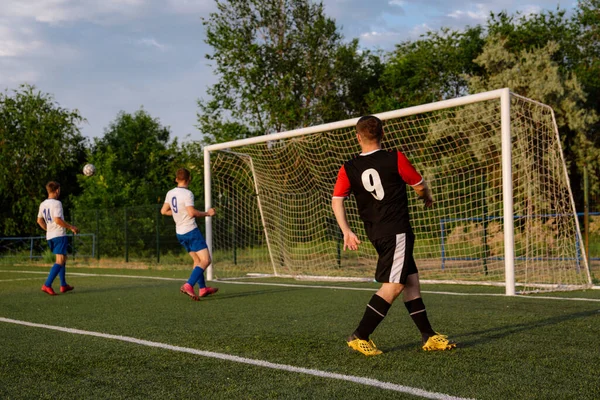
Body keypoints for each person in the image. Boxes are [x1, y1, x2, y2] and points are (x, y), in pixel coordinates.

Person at [332, 115, 456, 356]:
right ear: (383, 135)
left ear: (358, 137)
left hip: (377, 233)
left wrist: (346, 231)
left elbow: (337, 201)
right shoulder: (395, 157)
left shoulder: (348, 168)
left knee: (411, 282)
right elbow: (419, 185)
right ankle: (360, 335)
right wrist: (426, 196)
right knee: (395, 285)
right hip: (397, 231)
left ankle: (428, 336)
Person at [161, 168, 218, 301]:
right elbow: (192, 213)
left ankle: (202, 288)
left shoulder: (170, 193)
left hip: (180, 233)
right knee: (206, 260)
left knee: (197, 261)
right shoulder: (187, 194)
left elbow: (163, 211)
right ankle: (188, 285)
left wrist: (179, 214)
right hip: (191, 231)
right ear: (189, 179)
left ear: (176, 179)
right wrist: (207, 213)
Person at [37, 181, 79, 295]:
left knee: (62, 259)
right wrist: (71, 227)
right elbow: (57, 220)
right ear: (57, 190)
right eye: (59, 190)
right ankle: (47, 285)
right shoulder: (57, 203)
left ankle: (63, 285)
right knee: (60, 261)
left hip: (50, 236)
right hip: (59, 235)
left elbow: (39, 220)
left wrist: (48, 229)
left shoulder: (43, 204)